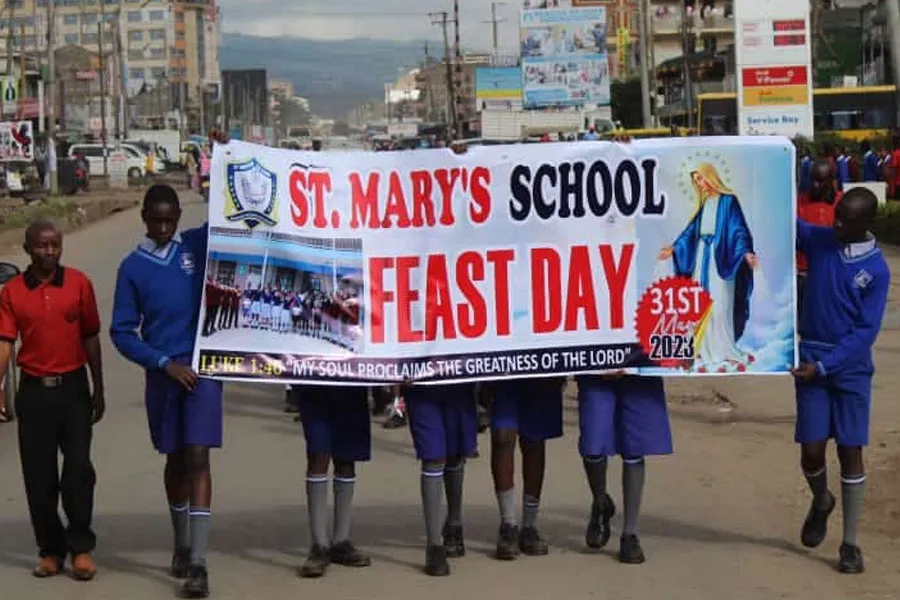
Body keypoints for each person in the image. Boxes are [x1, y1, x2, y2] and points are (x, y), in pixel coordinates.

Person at [110, 184, 223, 598]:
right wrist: (162, 363)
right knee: (176, 459)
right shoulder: (132, 268)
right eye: (155, 220)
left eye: (170, 220)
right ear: (143, 217)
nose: (163, 227)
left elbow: (237, 225)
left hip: (203, 371)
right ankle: (181, 541)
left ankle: (199, 562)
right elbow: (122, 332)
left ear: (179, 216)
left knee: (198, 455)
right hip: (164, 374)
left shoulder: (196, 245)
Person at [792, 187, 889, 574]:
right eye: (837, 214)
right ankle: (821, 500)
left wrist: (828, 365)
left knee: (850, 450)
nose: (837, 223)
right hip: (811, 359)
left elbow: (865, 332)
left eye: (847, 219)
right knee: (812, 452)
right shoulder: (821, 241)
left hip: (847, 368)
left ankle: (850, 544)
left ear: (867, 223)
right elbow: (791, 227)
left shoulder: (877, 270)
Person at [0, 220, 104, 580]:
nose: (49, 252)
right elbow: (4, 344)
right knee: (39, 478)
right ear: (28, 248)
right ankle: (50, 550)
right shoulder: (11, 292)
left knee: (78, 472)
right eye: (41, 246)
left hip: (73, 389)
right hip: (33, 392)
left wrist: (99, 388)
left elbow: (90, 337)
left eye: (55, 245)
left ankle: (81, 549)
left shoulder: (78, 284)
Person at [659, 163, 758, 372]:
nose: (700, 184)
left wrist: (746, 252)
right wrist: (675, 248)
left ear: (710, 177)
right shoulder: (704, 205)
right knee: (700, 305)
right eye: (696, 181)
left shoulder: (728, 201)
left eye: (701, 179)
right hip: (701, 258)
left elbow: (739, 229)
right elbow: (690, 232)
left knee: (720, 306)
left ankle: (724, 351)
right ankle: (701, 352)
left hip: (721, 259)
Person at [577, 372, 673, 564]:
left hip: (638, 365)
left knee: (634, 447)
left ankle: (629, 534)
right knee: (593, 444)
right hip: (595, 365)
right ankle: (601, 502)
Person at [293, 385, 372, 578]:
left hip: (351, 381)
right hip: (315, 379)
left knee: (346, 458)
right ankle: (319, 545)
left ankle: (341, 541)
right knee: (318, 454)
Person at [404, 382, 478, 576]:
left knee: (455, 454)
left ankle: (454, 523)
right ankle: (434, 545)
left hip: (458, 378)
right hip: (420, 379)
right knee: (433, 457)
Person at [488, 377, 564, 559]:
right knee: (502, 436)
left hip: (537, 364)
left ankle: (529, 525)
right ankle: (508, 524)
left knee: (534, 440)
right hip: (502, 362)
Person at [797, 160, 841, 308]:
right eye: (813, 180)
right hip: (805, 274)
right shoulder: (799, 202)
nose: (815, 185)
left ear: (831, 181)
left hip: (833, 273)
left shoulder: (842, 203)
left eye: (820, 181)